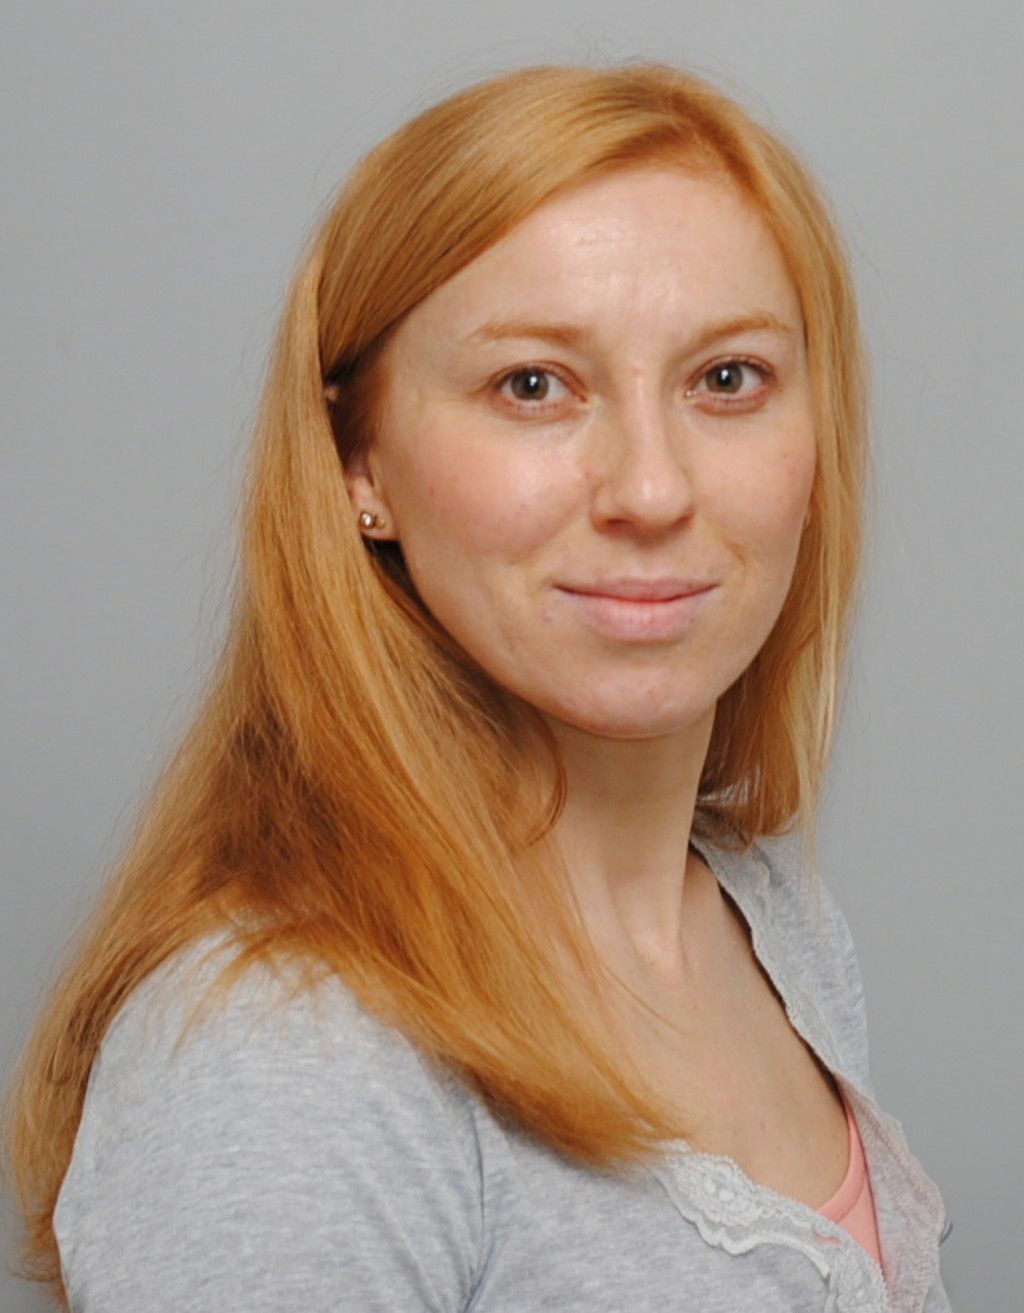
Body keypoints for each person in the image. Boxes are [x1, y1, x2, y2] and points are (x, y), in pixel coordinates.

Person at [2, 61, 952, 1311]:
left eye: (727, 379)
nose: (652, 489)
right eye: (532, 385)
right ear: (359, 462)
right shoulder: (284, 1059)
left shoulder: (771, 919)